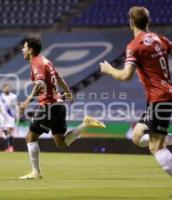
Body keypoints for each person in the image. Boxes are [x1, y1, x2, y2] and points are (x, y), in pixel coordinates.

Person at [100, 6, 172, 198]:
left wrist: (109, 69)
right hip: (163, 96)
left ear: (131, 23)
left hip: (160, 98)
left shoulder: (134, 45)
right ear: (148, 22)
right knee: (137, 136)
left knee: (155, 146)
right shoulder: (159, 39)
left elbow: (126, 76)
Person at [17, 37, 106, 179]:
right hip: (59, 105)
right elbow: (58, 78)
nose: (23, 49)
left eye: (25, 47)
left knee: (30, 137)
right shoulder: (46, 61)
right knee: (61, 142)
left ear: (31, 50)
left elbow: (39, 84)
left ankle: (36, 172)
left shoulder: (36, 63)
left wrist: (27, 101)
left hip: (49, 106)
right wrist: (68, 92)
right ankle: (85, 124)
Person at [0, 84, 18, 152]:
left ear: (10, 89)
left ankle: (10, 147)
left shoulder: (13, 96)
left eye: (8, 88)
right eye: (5, 88)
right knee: (5, 133)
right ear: (3, 89)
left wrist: (16, 114)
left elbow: (16, 106)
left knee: (10, 131)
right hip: (2, 117)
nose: (7, 89)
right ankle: (7, 147)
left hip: (11, 116)